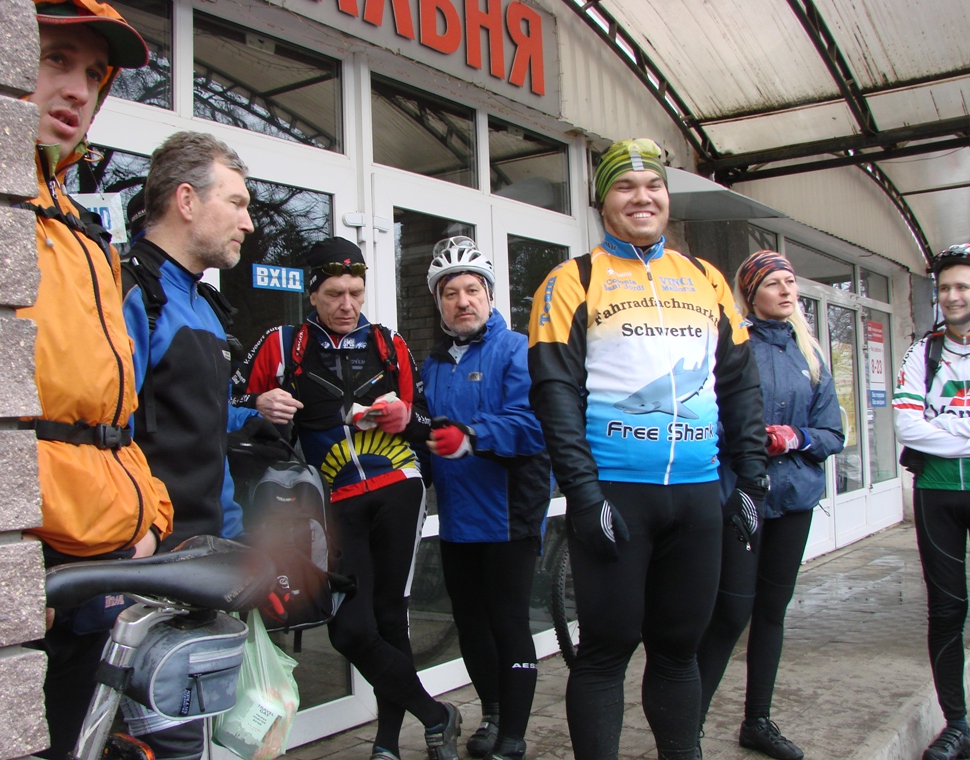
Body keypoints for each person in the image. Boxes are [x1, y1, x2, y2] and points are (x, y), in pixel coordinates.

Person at [526, 137, 769, 760]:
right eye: (625, 186)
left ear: (667, 196)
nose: (642, 197)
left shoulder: (707, 280)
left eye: (653, 185)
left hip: (696, 497)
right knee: (605, 652)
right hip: (616, 495)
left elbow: (739, 384)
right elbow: (555, 395)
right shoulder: (572, 280)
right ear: (602, 201)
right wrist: (583, 494)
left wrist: (751, 479)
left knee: (679, 652)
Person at [233, 236, 462, 760]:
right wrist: (258, 402)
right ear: (312, 294)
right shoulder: (282, 343)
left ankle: (386, 743)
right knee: (350, 629)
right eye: (334, 294)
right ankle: (436, 715)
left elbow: (428, 424)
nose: (347, 305)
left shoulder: (388, 343)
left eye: (356, 293)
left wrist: (408, 419)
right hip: (331, 500)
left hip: (397, 487)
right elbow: (228, 396)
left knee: (389, 618)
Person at [17, 2, 174, 757]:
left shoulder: (83, 230)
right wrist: (7, 560)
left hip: (95, 556)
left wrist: (148, 521)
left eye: (92, 73)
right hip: (26, 559)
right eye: (55, 58)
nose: (78, 89)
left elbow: (109, 414)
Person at [118, 131, 265, 758]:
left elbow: (192, 421)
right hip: (144, 570)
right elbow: (105, 432)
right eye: (236, 203)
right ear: (186, 200)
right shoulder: (130, 292)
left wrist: (252, 417)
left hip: (204, 564)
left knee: (196, 738)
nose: (249, 223)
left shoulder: (204, 304)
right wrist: (133, 541)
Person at [695, 250, 844, 760]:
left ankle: (757, 721)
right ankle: (687, 729)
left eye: (790, 282)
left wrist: (796, 437)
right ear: (750, 292)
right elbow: (708, 416)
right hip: (742, 497)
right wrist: (750, 439)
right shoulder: (731, 343)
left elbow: (833, 432)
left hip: (794, 500)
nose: (786, 290)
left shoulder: (811, 353)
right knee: (730, 613)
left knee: (772, 613)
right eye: (774, 283)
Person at [421, 237, 552, 760]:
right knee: (471, 624)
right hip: (457, 516)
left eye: (472, 290)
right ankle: (493, 714)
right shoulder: (434, 363)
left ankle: (513, 736)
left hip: (508, 512)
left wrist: (472, 436)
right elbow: (429, 432)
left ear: (491, 296)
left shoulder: (518, 349)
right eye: (450, 293)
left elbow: (533, 423)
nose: (463, 302)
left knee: (508, 622)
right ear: (439, 303)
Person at [894, 243, 970, 760]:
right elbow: (906, 427)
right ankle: (957, 724)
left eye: (962, 286)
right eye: (945, 288)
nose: (953, 296)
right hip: (936, 492)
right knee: (946, 609)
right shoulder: (922, 352)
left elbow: (925, 426)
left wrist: (940, 426)